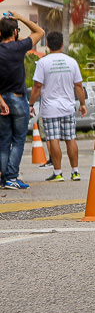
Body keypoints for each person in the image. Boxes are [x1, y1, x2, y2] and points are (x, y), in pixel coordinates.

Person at [29, 31, 87, 182]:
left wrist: (30, 104)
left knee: (53, 138)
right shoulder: (71, 61)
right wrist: (82, 104)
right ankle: (75, 172)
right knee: (70, 138)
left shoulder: (43, 62)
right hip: (68, 106)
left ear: (47, 45)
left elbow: (37, 86)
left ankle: (58, 172)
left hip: (50, 108)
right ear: (62, 44)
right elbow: (79, 86)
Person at [0, 11, 45, 190]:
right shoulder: (19, 48)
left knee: (3, 139)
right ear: (16, 33)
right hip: (18, 99)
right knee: (18, 139)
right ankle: (11, 177)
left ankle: (3, 177)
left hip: (2, 100)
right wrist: (20, 18)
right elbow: (40, 32)